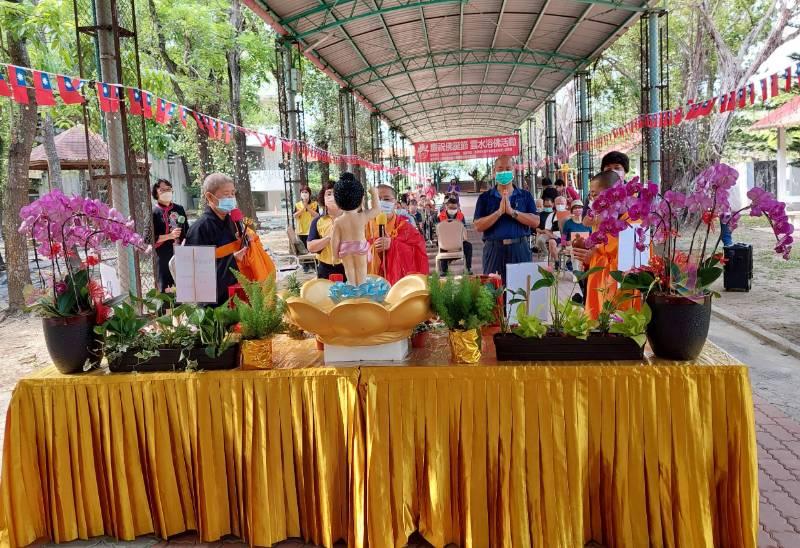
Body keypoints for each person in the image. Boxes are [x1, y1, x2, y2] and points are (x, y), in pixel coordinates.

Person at [571, 170, 631, 320]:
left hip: (616, 297)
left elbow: (627, 268)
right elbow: (599, 250)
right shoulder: (600, 221)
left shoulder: (630, 223)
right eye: (590, 196)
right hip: (597, 288)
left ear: (614, 194)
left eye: (595, 195)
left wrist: (594, 257)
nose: (592, 201)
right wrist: (585, 247)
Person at [473, 154, 539, 282]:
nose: (504, 172)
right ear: (494, 172)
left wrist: (512, 212)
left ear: (513, 170)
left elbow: (536, 221)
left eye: (508, 168)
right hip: (493, 250)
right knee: (493, 292)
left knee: (521, 292)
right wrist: (498, 213)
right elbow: (478, 225)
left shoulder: (525, 196)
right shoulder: (485, 198)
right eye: (500, 169)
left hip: (520, 248)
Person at [185, 173, 247, 306]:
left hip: (237, 290)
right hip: (213, 304)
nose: (231, 197)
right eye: (226, 194)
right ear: (209, 196)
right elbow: (193, 276)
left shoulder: (232, 221)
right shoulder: (199, 229)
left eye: (232, 193)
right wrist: (232, 260)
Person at [366, 184, 430, 284]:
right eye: (377, 199)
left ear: (395, 202)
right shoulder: (365, 226)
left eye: (386, 199)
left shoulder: (405, 227)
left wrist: (393, 245)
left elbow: (419, 253)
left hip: (397, 286)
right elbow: (354, 252)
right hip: (370, 285)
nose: (381, 202)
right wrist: (373, 247)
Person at [151, 178, 189, 292]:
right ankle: (167, 310)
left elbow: (187, 231)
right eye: (162, 190)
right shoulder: (153, 212)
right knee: (167, 289)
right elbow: (148, 239)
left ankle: (182, 310)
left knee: (184, 287)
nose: (166, 192)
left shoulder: (179, 209)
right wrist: (169, 236)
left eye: (168, 189)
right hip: (163, 256)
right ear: (156, 193)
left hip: (181, 254)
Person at [307, 182, 346, 281]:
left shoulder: (351, 220)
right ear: (323, 199)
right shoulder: (317, 221)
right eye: (329, 194)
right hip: (325, 269)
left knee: (349, 296)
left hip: (348, 268)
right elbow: (311, 247)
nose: (332, 197)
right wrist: (329, 237)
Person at [437, 197, 472, 275]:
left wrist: (464, 238)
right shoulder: (440, 217)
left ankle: (468, 268)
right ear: (446, 207)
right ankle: (444, 270)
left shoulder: (461, 216)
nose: (452, 210)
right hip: (445, 242)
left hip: (458, 242)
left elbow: (464, 229)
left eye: (455, 208)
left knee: (468, 246)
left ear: (458, 207)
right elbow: (438, 232)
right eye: (450, 208)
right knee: (440, 245)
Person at [294, 186, 319, 272]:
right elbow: (295, 215)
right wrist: (303, 208)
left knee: (312, 248)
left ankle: (313, 265)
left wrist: (308, 207)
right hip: (301, 230)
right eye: (302, 192)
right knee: (304, 250)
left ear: (309, 194)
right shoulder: (297, 204)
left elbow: (317, 215)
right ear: (300, 194)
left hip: (311, 229)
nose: (304, 194)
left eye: (306, 192)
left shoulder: (314, 204)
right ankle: (306, 266)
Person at [545, 195, 568, 264]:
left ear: (566, 204)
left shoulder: (570, 215)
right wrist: (552, 236)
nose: (560, 205)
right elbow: (547, 230)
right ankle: (557, 262)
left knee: (562, 246)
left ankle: (566, 262)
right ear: (555, 204)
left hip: (567, 237)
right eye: (558, 203)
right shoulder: (551, 216)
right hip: (556, 237)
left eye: (562, 203)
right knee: (551, 243)